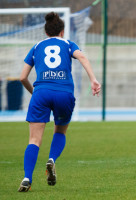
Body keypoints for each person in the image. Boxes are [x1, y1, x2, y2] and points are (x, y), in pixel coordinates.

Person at [18, 12, 101, 192]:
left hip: (41, 93)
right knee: (60, 130)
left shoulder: (37, 46)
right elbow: (83, 57)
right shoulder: (67, 44)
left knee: (34, 139)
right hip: (64, 93)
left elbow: (23, 77)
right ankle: (52, 159)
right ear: (62, 32)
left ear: (46, 32)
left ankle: (26, 178)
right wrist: (93, 79)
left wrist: (35, 92)